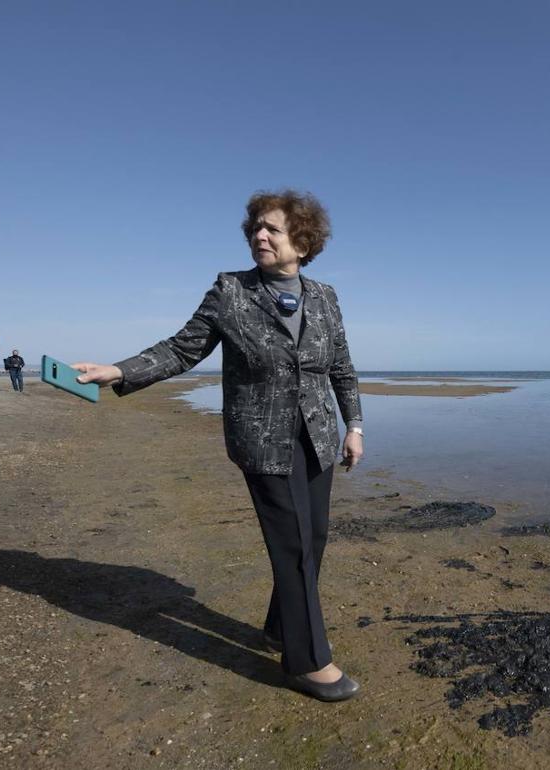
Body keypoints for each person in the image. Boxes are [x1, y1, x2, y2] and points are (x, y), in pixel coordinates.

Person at [73, 189, 365, 702]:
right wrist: (119, 371)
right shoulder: (231, 290)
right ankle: (306, 660)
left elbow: (340, 366)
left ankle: (280, 627)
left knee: (314, 539)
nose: (260, 235)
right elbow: (183, 348)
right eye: (256, 228)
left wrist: (354, 426)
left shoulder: (326, 296)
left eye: (272, 229)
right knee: (293, 544)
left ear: (303, 239)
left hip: (317, 436)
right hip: (262, 439)